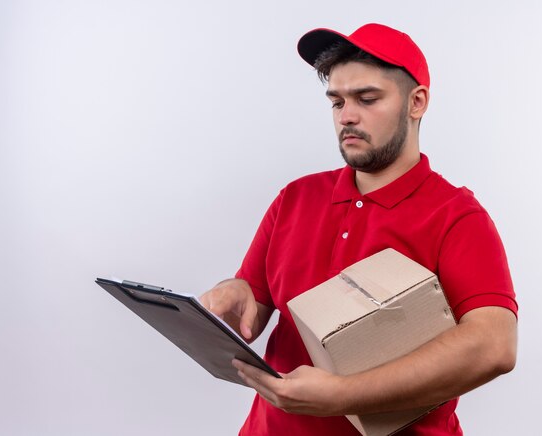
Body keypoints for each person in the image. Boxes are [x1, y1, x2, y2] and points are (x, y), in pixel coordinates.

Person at [200, 23, 518, 435]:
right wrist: (237, 292)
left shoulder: (457, 216)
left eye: (367, 99)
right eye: (337, 102)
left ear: (416, 102)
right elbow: (255, 304)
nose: (347, 116)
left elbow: (495, 346)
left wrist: (346, 394)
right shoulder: (295, 198)